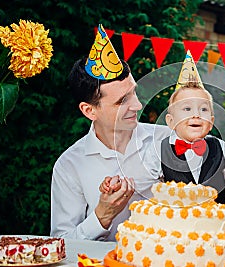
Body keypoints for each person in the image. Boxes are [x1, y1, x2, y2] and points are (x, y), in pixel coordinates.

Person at [50, 24, 170, 241]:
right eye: (122, 101)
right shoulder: (70, 165)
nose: (137, 105)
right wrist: (102, 217)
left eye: (133, 93)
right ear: (89, 110)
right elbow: (62, 245)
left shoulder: (167, 139)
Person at [100, 51, 225, 204]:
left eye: (203, 109)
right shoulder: (158, 150)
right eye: (187, 109)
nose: (196, 115)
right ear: (171, 121)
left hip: (217, 229)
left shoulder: (222, 148)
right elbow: (139, 178)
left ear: (211, 121)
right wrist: (116, 183)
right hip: (176, 227)